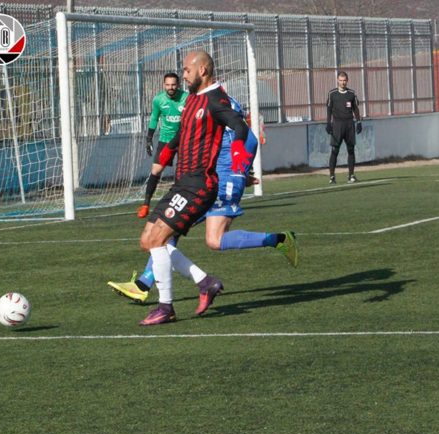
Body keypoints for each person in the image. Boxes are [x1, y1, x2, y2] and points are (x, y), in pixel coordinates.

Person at [108, 97, 299, 305]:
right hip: (206, 186)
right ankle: (143, 284)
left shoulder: (239, 134)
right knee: (170, 228)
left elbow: (242, 154)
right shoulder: (218, 130)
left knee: (214, 240)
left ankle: (279, 240)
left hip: (222, 188)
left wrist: (239, 177)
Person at [134, 50, 256, 326]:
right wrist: (168, 151)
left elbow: (239, 125)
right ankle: (205, 282)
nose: (184, 75)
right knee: (148, 240)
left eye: (187, 70)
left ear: (202, 70)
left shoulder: (216, 99)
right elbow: (182, 132)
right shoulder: (192, 100)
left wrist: (238, 150)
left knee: (158, 240)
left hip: (200, 185)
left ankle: (165, 307)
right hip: (182, 183)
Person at [137, 73, 188, 219]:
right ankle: (146, 205)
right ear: (164, 85)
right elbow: (154, 118)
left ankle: (181, 204)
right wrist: (149, 139)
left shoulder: (187, 98)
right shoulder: (158, 99)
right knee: (156, 170)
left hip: (183, 140)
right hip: (165, 140)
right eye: (168, 85)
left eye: (173, 85)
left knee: (183, 172)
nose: (171, 87)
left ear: (178, 85)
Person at [325, 71, 363, 184]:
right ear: (337, 80)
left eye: (344, 80)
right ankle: (332, 177)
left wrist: (359, 122)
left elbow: (355, 109)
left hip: (349, 124)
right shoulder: (332, 94)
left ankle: (351, 175)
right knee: (335, 150)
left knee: (351, 150)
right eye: (341, 80)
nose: (343, 83)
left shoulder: (351, 93)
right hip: (337, 125)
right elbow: (329, 109)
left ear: (347, 81)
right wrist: (328, 123)